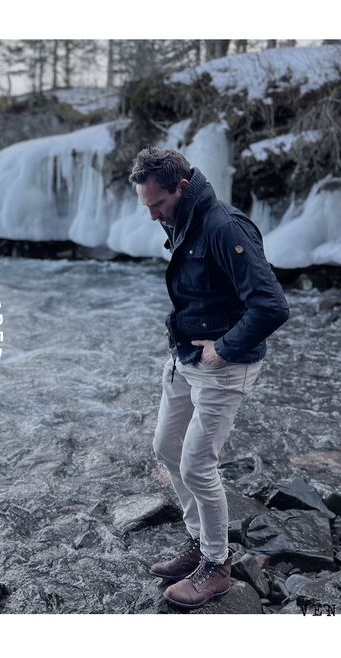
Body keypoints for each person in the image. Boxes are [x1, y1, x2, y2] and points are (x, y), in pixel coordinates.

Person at [129, 147, 289, 609]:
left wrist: (223, 348)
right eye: (146, 206)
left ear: (182, 187)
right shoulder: (182, 219)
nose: (153, 215)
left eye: (158, 204)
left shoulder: (224, 226)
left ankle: (217, 568)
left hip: (224, 364)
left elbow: (272, 306)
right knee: (166, 448)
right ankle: (199, 544)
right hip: (184, 356)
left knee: (198, 463)